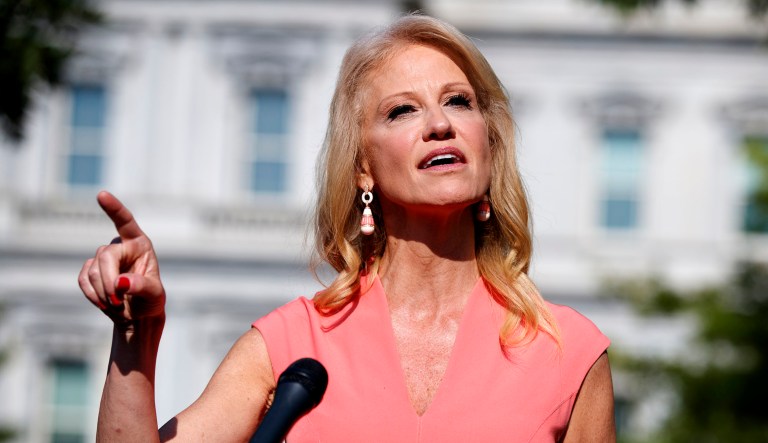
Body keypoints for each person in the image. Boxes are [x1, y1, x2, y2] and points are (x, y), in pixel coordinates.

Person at [78, 15, 615, 442]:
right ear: (363, 167)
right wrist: (135, 336)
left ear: (488, 143)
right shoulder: (291, 345)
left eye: (459, 101)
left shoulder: (568, 351)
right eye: (402, 111)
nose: (439, 124)